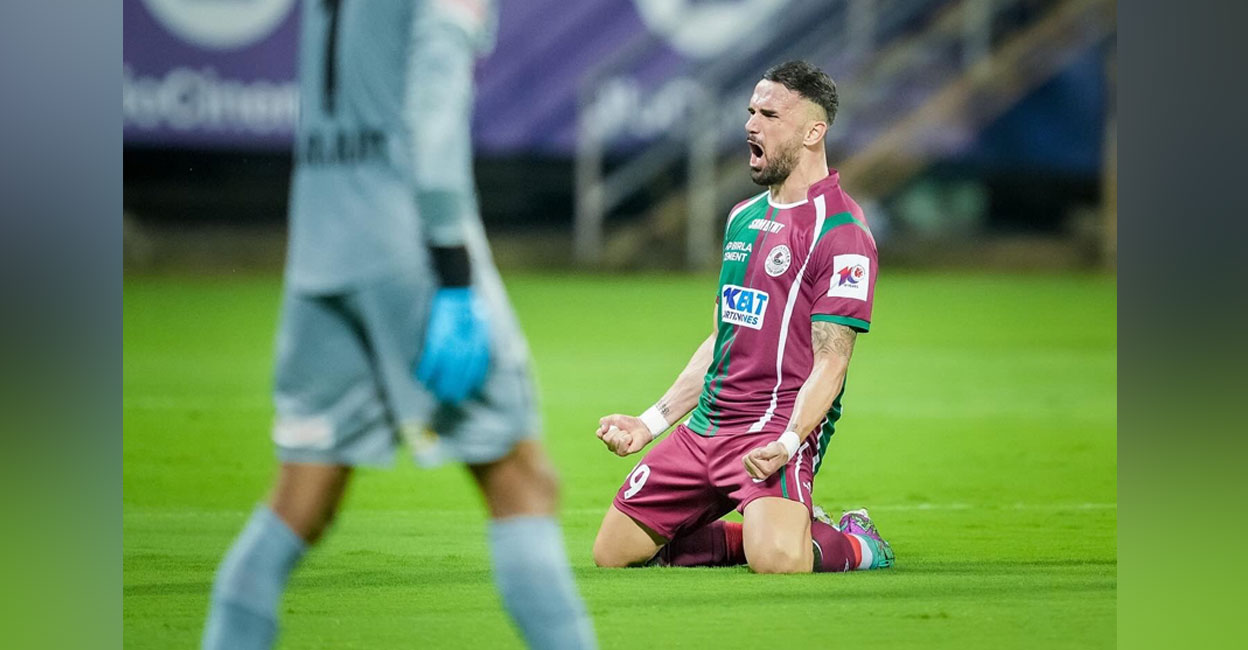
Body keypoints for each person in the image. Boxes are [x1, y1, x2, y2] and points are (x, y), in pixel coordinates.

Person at [201, 1, 596, 648]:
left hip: (319, 252)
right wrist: (453, 271)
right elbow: (431, 121)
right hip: (408, 251)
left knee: (303, 498)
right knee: (522, 480)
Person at [591, 60, 895, 574]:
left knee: (777, 562)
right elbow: (721, 339)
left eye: (771, 114)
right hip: (706, 427)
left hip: (772, 429)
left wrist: (789, 440)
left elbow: (832, 363)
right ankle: (780, 525)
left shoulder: (843, 234)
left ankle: (858, 542)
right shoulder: (742, 217)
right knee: (613, 554)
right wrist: (649, 423)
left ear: (813, 132)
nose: (752, 124)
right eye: (751, 111)